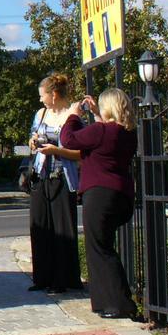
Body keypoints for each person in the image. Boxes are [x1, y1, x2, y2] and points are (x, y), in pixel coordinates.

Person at [60, 88, 139, 319]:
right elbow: (104, 140)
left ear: (108, 108)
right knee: (104, 247)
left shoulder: (101, 131)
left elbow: (68, 140)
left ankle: (120, 303)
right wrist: (96, 115)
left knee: (100, 249)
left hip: (99, 195)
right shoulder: (127, 132)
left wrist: (73, 115)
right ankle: (106, 302)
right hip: (122, 194)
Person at [27, 73, 83, 295]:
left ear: (54, 94)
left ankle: (62, 279)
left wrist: (56, 151)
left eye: (43, 95)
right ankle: (42, 277)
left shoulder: (73, 116)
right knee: (40, 226)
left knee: (62, 230)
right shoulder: (41, 114)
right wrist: (33, 143)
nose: (41, 100)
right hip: (41, 175)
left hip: (62, 176)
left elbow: (80, 151)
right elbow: (32, 139)